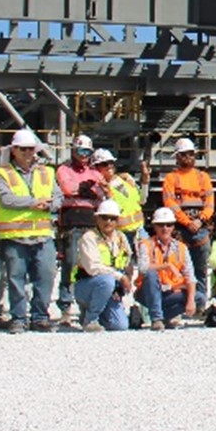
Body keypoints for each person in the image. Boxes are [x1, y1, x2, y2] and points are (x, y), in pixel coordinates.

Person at [0, 128, 61, 333]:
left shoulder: (47, 172)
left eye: (31, 149)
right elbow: (6, 199)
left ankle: (40, 317)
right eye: (23, 149)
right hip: (15, 235)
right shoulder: (2, 173)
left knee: (46, 276)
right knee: (16, 279)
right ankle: (19, 318)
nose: (28, 153)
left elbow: (58, 196)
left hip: (42, 235)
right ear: (14, 150)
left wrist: (50, 205)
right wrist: (33, 203)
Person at [56, 134, 108, 324]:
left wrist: (88, 189)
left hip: (91, 223)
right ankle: (65, 307)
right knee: (69, 266)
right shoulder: (64, 169)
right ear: (73, 151)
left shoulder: (94, 173)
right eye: (81, 151)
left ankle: (86, 305)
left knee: (90, 265)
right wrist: (88, 189)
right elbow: (68, 189)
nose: (84, 155)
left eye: (87, 151)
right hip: (72, 223)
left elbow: (102, 193)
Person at [72, 199, 136, 332]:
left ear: (117, 220)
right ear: (97, 219)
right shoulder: (89, 237)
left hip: (110, 285)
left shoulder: (121, 238)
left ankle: (94, 313)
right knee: (106, 281)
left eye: (112, 218)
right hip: (86, 284)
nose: (108, 222)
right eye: (104, 218)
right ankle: (90, 320)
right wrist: (120, 278)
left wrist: (120, 287)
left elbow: (128, 262)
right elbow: (92, 268)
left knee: (120, 326)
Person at [161, 138, 216, 286]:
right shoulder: (171, 178)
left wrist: (200, 220)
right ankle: (180, 303)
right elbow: (169, 203)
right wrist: (187, 222)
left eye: (191, 154)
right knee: (178, 269)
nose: (188, 157)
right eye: (184, 154)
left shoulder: (203, 177)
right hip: (180, 230)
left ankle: (199, 305)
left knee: (201, 271)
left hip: (201, 229)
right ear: (177, 157)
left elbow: (210, 203)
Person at [137, 207, 196, 329]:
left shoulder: (181, 248)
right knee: (151, 274)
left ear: (173, 227)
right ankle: (157, 319)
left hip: (171, 292)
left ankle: (165, 316)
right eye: (161, 225)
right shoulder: (146, 245)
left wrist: (191, 301)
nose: (165, 228)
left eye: (168, 225)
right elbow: (143, 268)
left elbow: (190, 276)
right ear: (154, 227)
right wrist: (167, 265)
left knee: (198, 298)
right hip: (148, 292)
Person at [94, 149, 145, 242]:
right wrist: (107, 192)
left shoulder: (125, 179)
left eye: (111, 163)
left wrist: (145, 181)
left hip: (139, 231)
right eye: (104, 164)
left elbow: (141, 200)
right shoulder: (97, 188)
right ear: (96, 168)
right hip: (120, 233)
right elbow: (111, 211)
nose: (109, 166)